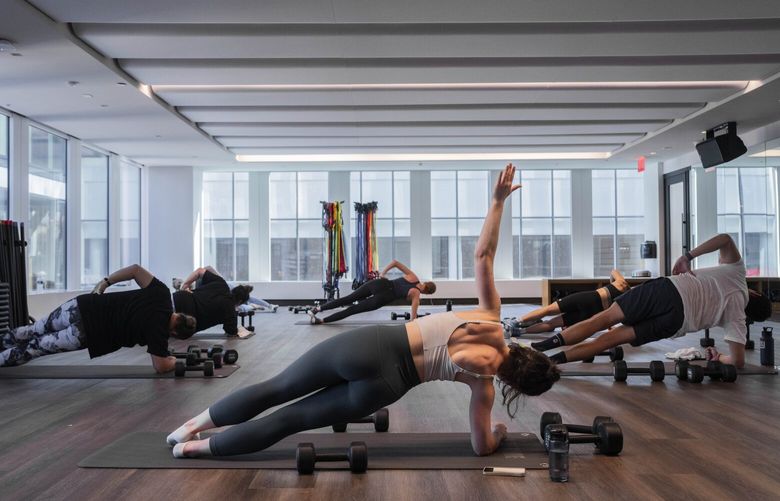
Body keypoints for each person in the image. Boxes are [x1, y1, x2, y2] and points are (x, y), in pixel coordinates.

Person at [167, 163, 560, 458]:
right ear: (517, 385)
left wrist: (496, 204)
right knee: (291, 420)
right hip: (387, 385)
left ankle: (188, 428)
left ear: (531, 352)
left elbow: (483, 255)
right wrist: (500, 434)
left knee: (277, 389)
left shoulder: (490, 316)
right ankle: (193, 451)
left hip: (370, 346)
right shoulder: (484, 386)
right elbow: (481, 446)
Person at [531, 234, 772, 369]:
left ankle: (539, 349)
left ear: (756, 294)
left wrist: (688, 256)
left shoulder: (738, 273)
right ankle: (551, 362)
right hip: (677, 322)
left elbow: (725, 239)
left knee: (601, 320)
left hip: (670, 290)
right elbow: (738, 362)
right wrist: (719, 357)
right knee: (610, 339)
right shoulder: (738, 318)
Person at [1, 264, 196, 372]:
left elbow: (135, 270)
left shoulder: (162, 293)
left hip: (82, 306)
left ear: (179, 314)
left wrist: (105, 283)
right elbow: (161, 366)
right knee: (36, 348)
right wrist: (173, 360)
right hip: (87, 333)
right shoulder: (159, 333)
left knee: (32, 330)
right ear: (174, 333)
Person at [307, 260, 436, 324]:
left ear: (426, 283)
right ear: (427, 293)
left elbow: (395, 262)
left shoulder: (413, 277)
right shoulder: (416, 295)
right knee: (353, 310)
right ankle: (321, 321)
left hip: (380, 284)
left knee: (346, 299)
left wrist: (383, 273)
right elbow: (413, 319)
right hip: (384, 298)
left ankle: (317, 309)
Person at [514, 270, 630, 334]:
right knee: (552, 324)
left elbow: (613, 271)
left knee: (548, 310)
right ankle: (521, 331)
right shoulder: (628, 302)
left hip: (586, 298)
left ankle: (516, 322)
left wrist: (610, 283)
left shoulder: (622, 283)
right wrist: (609, 327)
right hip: (591, 312)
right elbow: (611, 317)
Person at [173, 266, 253, 338]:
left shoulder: (221, 283)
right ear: (240, 301)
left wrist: (185, 285)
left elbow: (200, 271)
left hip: (178, 299)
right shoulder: (230, 311)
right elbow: (231, 331)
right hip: (181, 322)